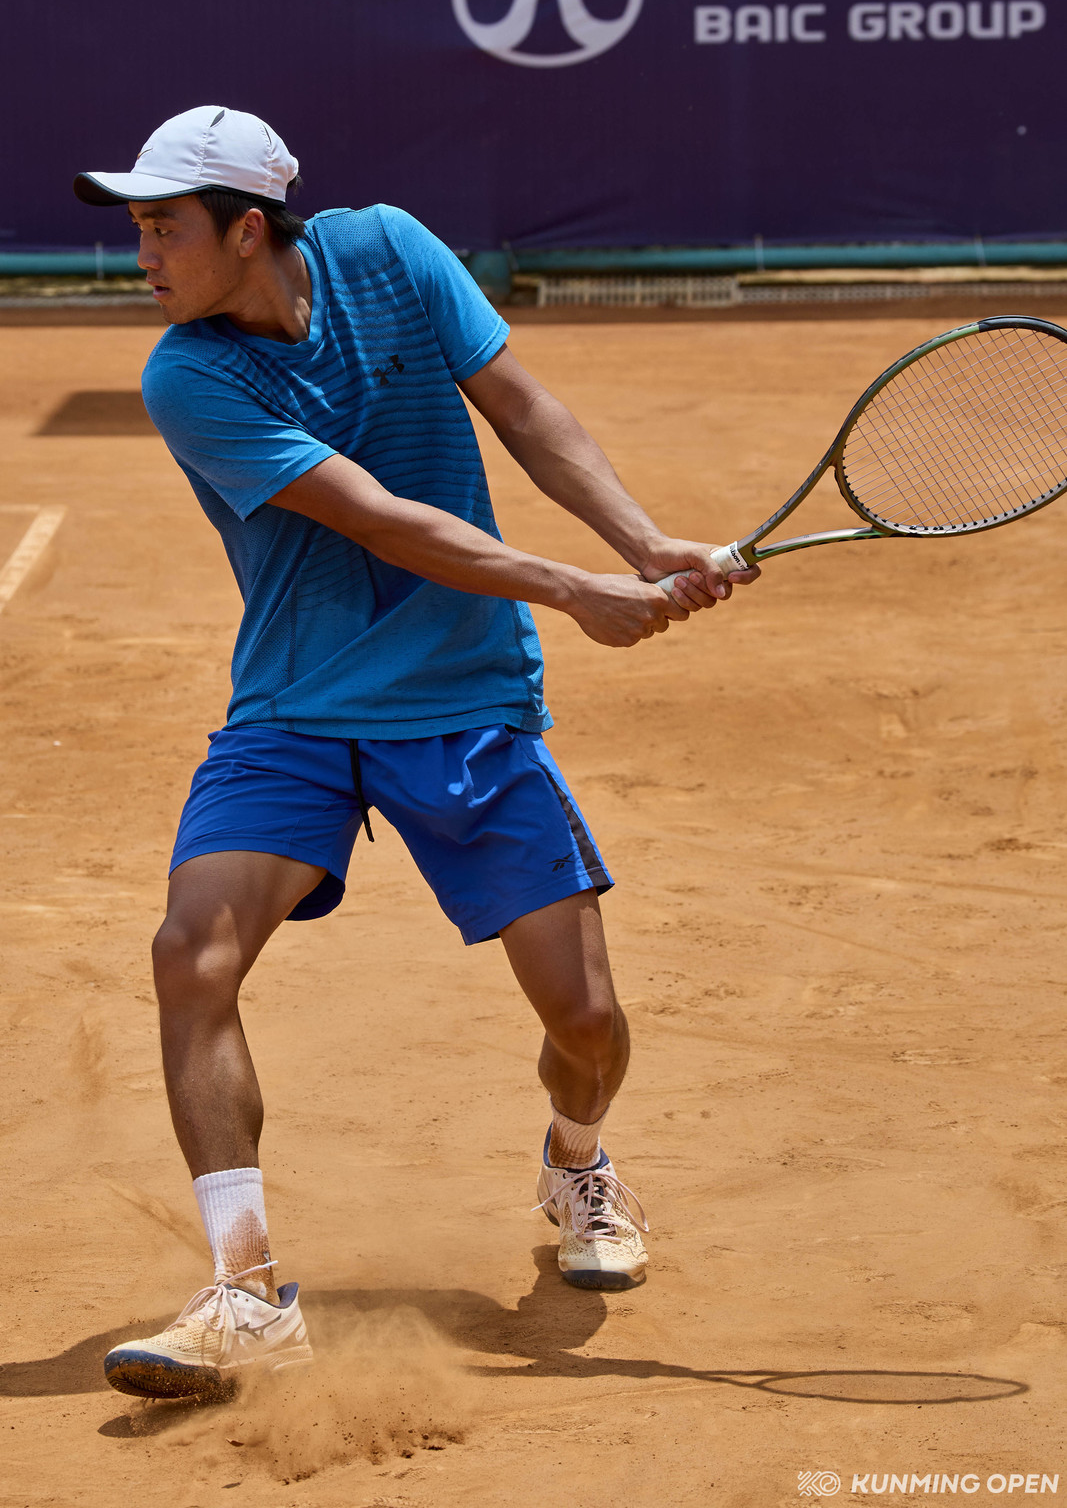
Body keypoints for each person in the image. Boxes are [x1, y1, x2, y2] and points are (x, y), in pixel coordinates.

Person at [73, 105, 758, 1400]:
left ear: (249, 227)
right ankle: (244, 1288)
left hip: (463, 698)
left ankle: (577, 1162)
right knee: (189, 951)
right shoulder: (189, 374)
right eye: (136, 225)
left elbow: (521, 403)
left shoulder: (391, 252)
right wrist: (574, 589)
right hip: (295, 708)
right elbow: (379, 520)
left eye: (165, 225)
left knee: (590, 1023)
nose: (141, 252)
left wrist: (643, 541)